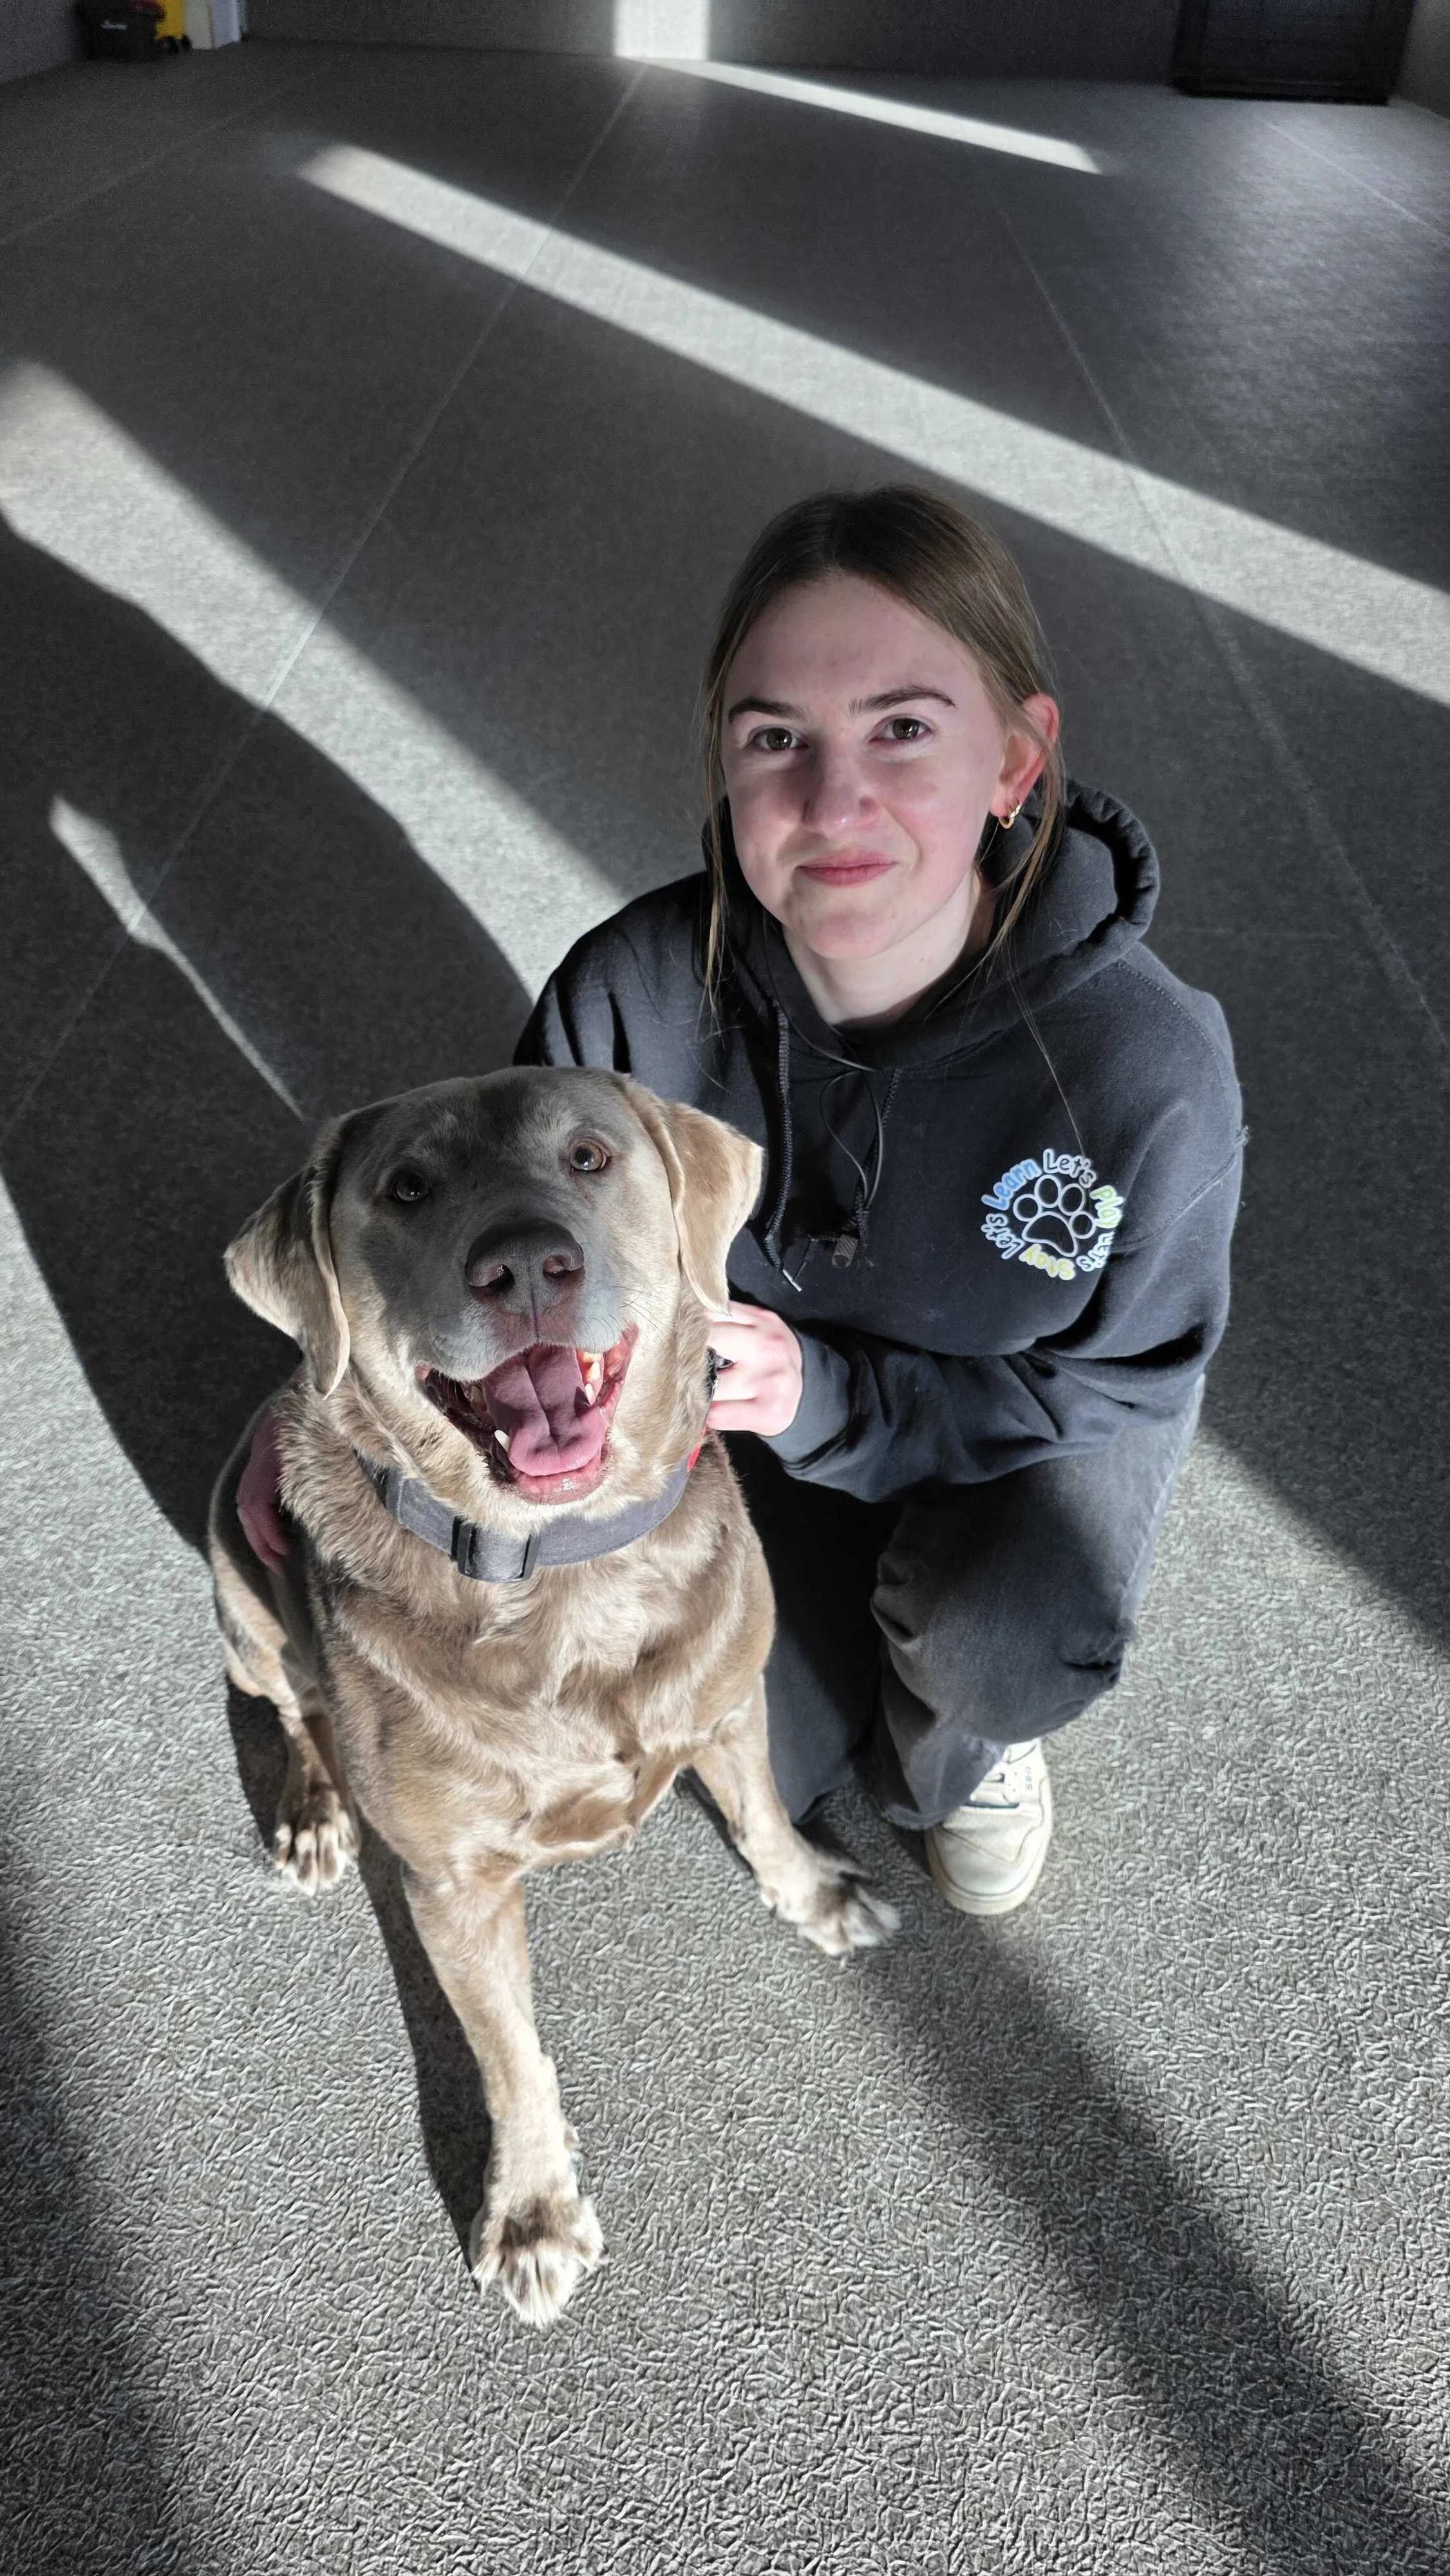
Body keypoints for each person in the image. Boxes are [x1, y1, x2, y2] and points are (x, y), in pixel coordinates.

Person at [240, 486, 1242, 1918]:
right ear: (726, 758)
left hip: (1015, 1426)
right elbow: (507, 1271)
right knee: (732, 1745)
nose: (834, 804)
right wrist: (342, 1444)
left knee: (1007, 1640)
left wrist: (830, 1393)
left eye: (903, 727)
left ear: (1018, 762)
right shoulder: (625, 993)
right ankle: (843, 1630)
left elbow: (1119, 1382)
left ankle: (976, 1745)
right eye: (777, 739)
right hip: (740, 1429)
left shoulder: (1146, 1065)